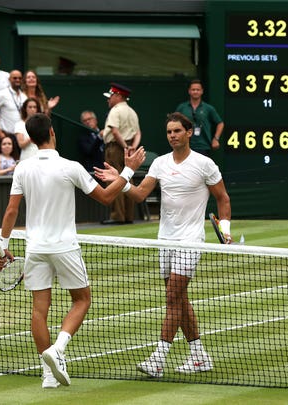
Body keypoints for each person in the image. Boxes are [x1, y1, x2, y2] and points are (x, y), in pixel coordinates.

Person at [0, 113, 146, 389]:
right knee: (82, 300)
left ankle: (48, 374)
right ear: (52, 133)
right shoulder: (70, 166)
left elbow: (11, 211)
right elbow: (106, 197)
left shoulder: (22, 169)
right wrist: (128, 170)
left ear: (31, 137)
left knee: (39, 311)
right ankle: (58, 349)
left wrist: (2, 247)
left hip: (35, 249)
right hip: (64, 247)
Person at [94, 112, 232, 378]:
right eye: (169, 132)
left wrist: (225, 228)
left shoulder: (205, 164)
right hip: (165, 239)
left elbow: (223, 199)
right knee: (179, 298)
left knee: (172, 297)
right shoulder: (159, 163)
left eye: (177, 131)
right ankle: (199, 355)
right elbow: (139, 194)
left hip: (190, 240)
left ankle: (158, 358)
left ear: (189, 133)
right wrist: (121, 181)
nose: (172, 136)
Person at [101, 83, 141, 225]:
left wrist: (124, 146)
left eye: (111, 96)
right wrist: (132, 147)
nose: (109, 99)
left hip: (115, 149)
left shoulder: (115, 111)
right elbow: (137, 133)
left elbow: (115, 131)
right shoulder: (132, 112)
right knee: (127, 179)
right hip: (129, 148)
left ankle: (118, 216)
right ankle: (128, 216)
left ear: (118, 96)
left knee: (115, 180)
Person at [175, 79, 224, 156]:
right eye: (193, 89)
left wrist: (216, 139)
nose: (195, 92)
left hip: (203, 146)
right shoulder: (182, 107)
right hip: (185, 145)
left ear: (202, 91)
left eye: (198, 90)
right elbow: (174, 123)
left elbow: (220, 123)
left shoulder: (208, 108)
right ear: (189, 91)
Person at [0, 70, 25, 158]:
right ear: (9, 79)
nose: (17, 80)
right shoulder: (2, 94)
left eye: (19, 78)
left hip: (20, 137)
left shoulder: (24, 96)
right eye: (15, 78)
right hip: (6, 136)